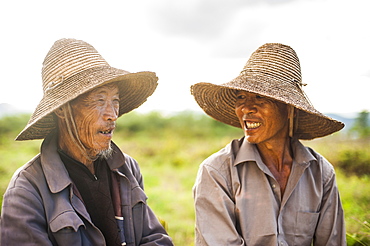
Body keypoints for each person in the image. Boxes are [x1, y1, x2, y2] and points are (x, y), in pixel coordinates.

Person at [0, 38, 173, 246]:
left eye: (115, 101)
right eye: (100, 101)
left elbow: (154, 238)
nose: (112, 115)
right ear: (62, 110)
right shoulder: (27, 190)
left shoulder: (127, 169)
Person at [191, 43, 346, 245]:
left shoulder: (320, 173)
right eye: (241, 97)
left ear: (291, 109)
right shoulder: (217, 171)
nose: (246, 109)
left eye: (261, 97)